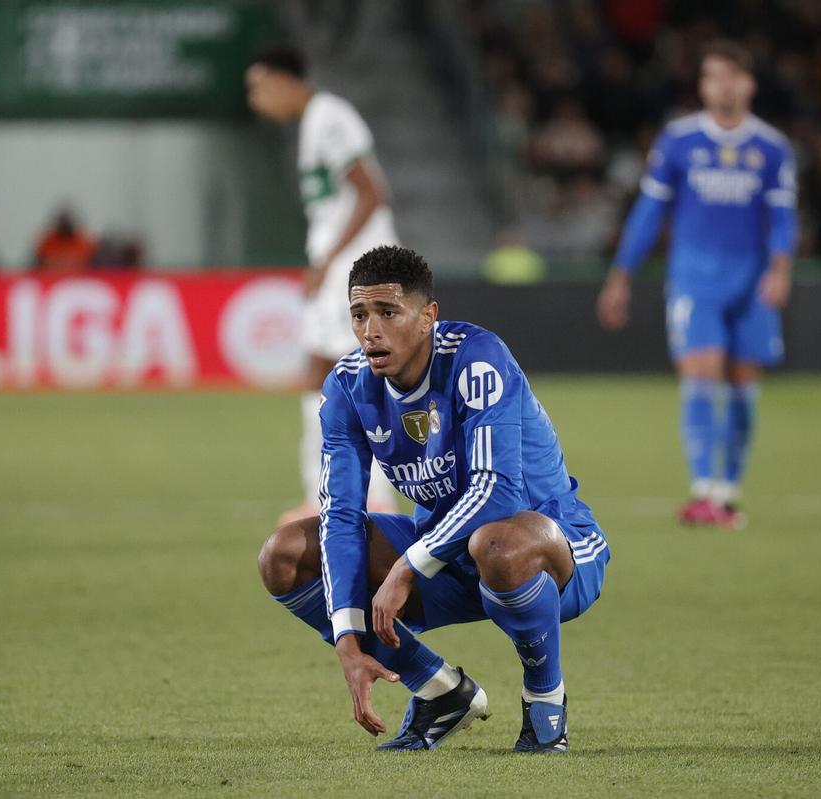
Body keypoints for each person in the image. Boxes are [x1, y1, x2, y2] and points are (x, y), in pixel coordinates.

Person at [258, 245, 610, 753]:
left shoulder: (476, 359)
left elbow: (496, 492)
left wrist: (406, 568)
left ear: (427, 318)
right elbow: (340, 515)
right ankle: (440, 691)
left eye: (387, 312)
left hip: (552, 551)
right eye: (359, 314)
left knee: (497, 544)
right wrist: (347, 637)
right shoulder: (348, 386)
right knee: (285, 554)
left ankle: (544, 699)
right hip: (445, 556)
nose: (370, 330)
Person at [596, 40, 798, 529]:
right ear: (703, 86)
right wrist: (621, 275)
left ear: (748, 83)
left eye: (731, 76)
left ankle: (728, 491)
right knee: (700, 377)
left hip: (751, 283)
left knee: (744, 390)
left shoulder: (772, 147)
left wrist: (780, 270)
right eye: (712, 77)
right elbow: (649, 212)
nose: (722, 86)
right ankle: (704, 489)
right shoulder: (679, 141)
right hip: (694, 280)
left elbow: (782, 217)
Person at [246, 45, 398, 524]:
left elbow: (372, 193)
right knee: (323, 377)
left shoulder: (330, 117)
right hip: (341, 271)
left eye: (259, 88)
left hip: (356, 271)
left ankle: (368, 497)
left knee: (356, 379)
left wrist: (330, 262)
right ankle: (328, 494)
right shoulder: (315, 121)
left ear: (284, 80)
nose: (256, 100)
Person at [34, 207, 96, 273]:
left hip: (78, 277)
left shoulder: (83, 243)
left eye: (67, 222)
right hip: (53, 277)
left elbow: (93, 267)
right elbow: (37, 266)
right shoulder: (47, 243)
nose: (65, 225)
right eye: (63, 222)